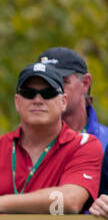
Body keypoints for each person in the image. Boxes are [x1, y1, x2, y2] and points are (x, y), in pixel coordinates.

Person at [0, 60, 102, 215]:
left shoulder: (84, 144)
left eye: (48, 93)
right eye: (28, 93)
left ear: (63, 101)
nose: (37, 100)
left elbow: (70, 202)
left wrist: (0, 204)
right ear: (17, 102)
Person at [40, 46, 107, 197]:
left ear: (85, 83)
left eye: (62, 82)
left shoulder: (106, 141)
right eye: (45, 84)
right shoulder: (23, 145)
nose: (52, 91)